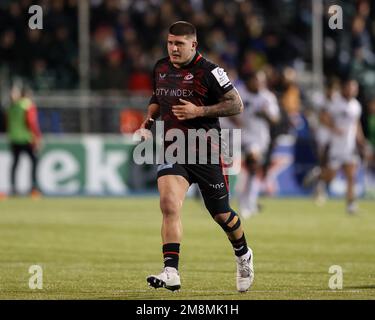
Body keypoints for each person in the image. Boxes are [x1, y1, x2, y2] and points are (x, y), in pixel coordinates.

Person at [140, 21, 254, 292]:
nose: (173, 48)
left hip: (206, 151)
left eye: (179, 44)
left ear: (193, 44)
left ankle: (243, 254)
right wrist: (148, 119)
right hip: (173, 148)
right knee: (169, 204)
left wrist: (199, 112)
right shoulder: (161, 67)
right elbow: (158, 96)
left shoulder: (211, 71)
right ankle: (171, 271)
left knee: (221, 214)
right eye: (170, 43)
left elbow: (236, 104)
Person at [236, 71, 280, 218]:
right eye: (256, 80)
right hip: (243, 136)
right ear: (249, 81)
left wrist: (265, 114)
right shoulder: (240, 93)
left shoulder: (267, 97)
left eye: (261, 81)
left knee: (254, 170)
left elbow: (275, 119)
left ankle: (249, 202)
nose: (259, 84)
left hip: (261, 138)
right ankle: (247, 203)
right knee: (252, 165)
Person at [320, 79, 366, 214]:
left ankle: (351, 205)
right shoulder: (336, 102)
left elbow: (356, 125)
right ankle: (319, 178)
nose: (353, 90)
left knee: (351, 175)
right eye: (350, 87)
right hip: (336, 146)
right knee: (331, 176)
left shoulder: (356, 105)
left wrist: (361, 140)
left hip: (350, 146)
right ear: (344, 88)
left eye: (354, 88)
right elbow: (323, 118)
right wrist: (334, 128)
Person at [6, 84, 42, 197]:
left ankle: (13, 188)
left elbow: (8, 124)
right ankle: (34, 187)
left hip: (14, 139)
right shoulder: (27, 105)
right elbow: (32, 123)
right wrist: (37, 137)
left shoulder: (11, 107)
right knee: (34, 161)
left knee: (15, 164)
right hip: (27, 139)